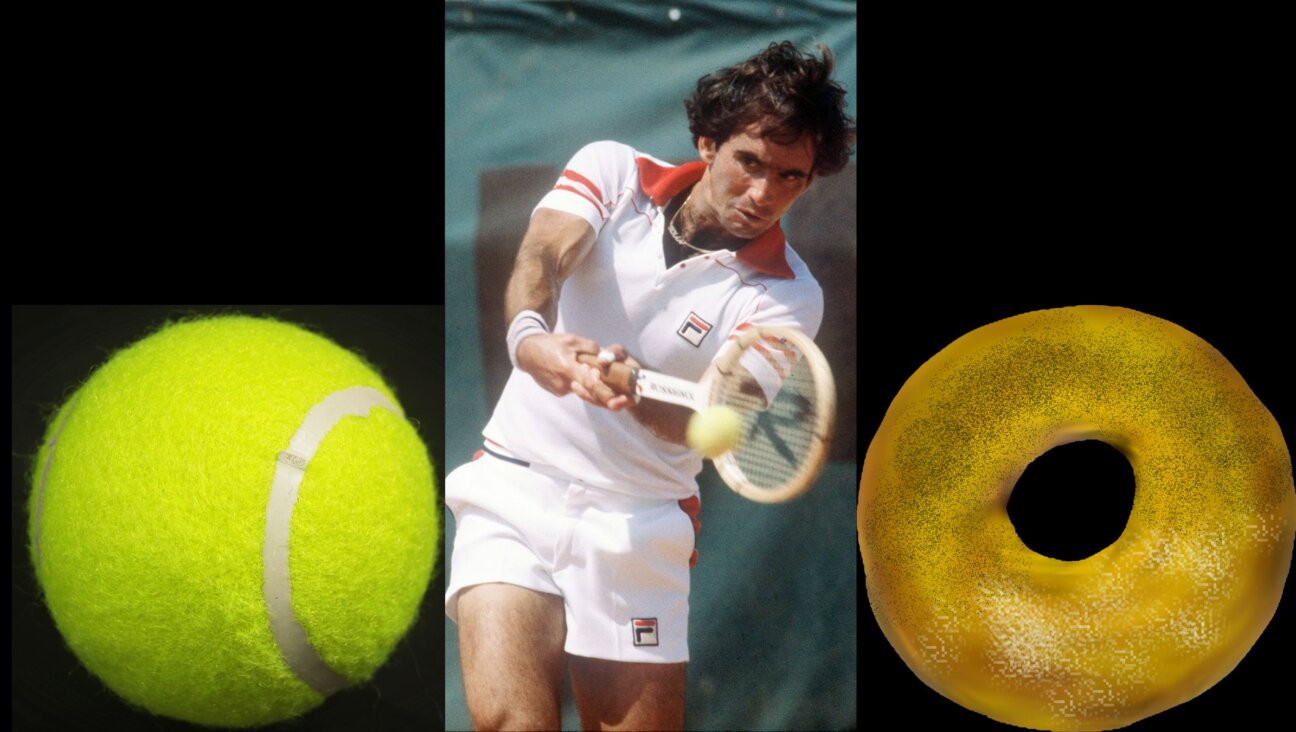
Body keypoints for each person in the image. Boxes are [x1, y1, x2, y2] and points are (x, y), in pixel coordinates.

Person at [445, 41, 855, 731]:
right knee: (510, 721)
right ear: (708, 142)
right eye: (749, 162)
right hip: (516, 485)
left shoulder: (788, 299)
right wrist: (531, 337)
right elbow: (545, 251)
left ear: (808, 183)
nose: (763, 193)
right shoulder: (613, 171)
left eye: (790, 177)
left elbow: (708, 423)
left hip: (637, 523)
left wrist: (633, 388)